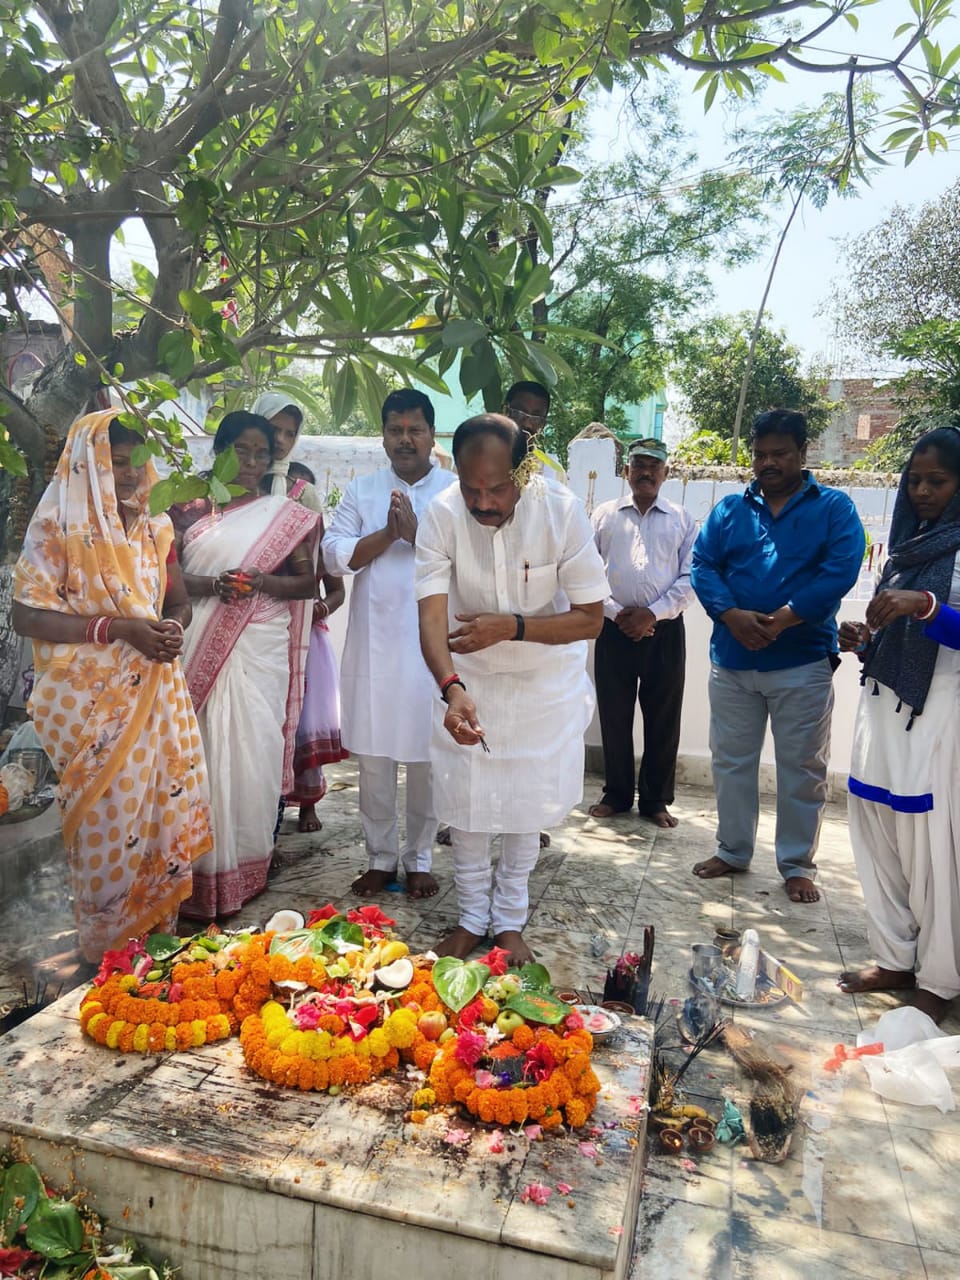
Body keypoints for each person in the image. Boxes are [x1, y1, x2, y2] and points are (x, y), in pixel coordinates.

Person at [13, 410, 213, 963]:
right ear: (87, 466)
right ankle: (105, 955)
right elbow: (26, 615)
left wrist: (172, 627)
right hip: (88, 703)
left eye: (136, 463)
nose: (128, 475)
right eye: (115, 463)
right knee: (107, 821)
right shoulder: (57, 525)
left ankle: (155, 947)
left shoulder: (156, 525)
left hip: (154, 689)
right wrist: (116, 629)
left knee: (157, 815)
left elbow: (175, 601)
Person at [416, 414, 608, 965]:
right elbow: (430, 616)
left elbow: (591, 618)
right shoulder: (442, 515)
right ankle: (472, 917)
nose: (483, 502)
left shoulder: (562, 512)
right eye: (472, 487)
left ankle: (508, 923)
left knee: (526, 806)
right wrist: (451, 688)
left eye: (496, 488)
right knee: (468, 801)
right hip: (468, 682)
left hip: (543, 685)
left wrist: (512, 626)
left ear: (522, 471)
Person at [690, 409, 864, 904]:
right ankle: (733, 850)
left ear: (803, 453)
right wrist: (730, 616)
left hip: (802, 661)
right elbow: (703, 564)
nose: (768, 463)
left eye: (779, 454)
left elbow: (840, 570)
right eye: (760, 454)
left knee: (802, 767)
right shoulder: (729, 510)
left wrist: (785, 618)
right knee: (731, 763)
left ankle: (796, 865)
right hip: (733, 659)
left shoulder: (834, 508)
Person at [171, 411, 318, 918]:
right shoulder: (187, 508)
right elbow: (164, 578)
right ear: (220, 449)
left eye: (262, 453)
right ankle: (188, 877)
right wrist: (213, 585)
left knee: (249, 755)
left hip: (257, 646)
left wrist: (259, 582)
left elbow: (308, 584)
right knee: (199, 754)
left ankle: (245, 871)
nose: (252, 462)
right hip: (196, 639)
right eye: (242, 450)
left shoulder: (285, 513)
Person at [837, 428, 960, 1022]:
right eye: (915, 480)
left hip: (937, 707)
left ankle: (939, 976)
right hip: (884, 704)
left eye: (937, 480)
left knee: (929, 846)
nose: (923, 490)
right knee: (876, 829)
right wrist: (865, 641)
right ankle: (894, 957)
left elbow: (944, 624)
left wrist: (929, 607)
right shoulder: (905, 547)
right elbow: (894, 631)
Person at [321, 388, 456, 899]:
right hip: (376, 650)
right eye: (395, 430)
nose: (405, 439)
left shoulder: (454, 491)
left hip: (431, 650)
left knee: (427, 760)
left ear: (431, 435)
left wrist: (417, 534)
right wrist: (387, 535)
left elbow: (465, 560)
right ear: (383, 436)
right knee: (375, 761)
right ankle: (380, 859)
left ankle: (419, 859)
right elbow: (334, 557)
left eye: (414, 429)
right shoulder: (362, 490)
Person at [589, 437, 697, 828]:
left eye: (654, 466)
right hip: (613, 629)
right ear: (627, 471)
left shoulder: (683, 519)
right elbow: (586, 572)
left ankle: (655, 799)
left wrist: (651, 614)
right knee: (614, 715)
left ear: (666, 473)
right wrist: (618, 614)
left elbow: (691, 578)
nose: (646, 472)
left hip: (664, 632)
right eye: (639, 465)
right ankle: (616, 794)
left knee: (663, 716)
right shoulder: (604, 516)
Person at [283, 461, 348, 833]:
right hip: (272, 637)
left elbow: (336, 592)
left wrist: (318, 608)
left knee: (305, 725)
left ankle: (308, 804)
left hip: (309, 638)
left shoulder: (320, 541)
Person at [251, 391, 323, 512]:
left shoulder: (305, 495)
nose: (280, 439)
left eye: (290, 434)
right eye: (274, 429)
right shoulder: (234, 485)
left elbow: (316, 530)